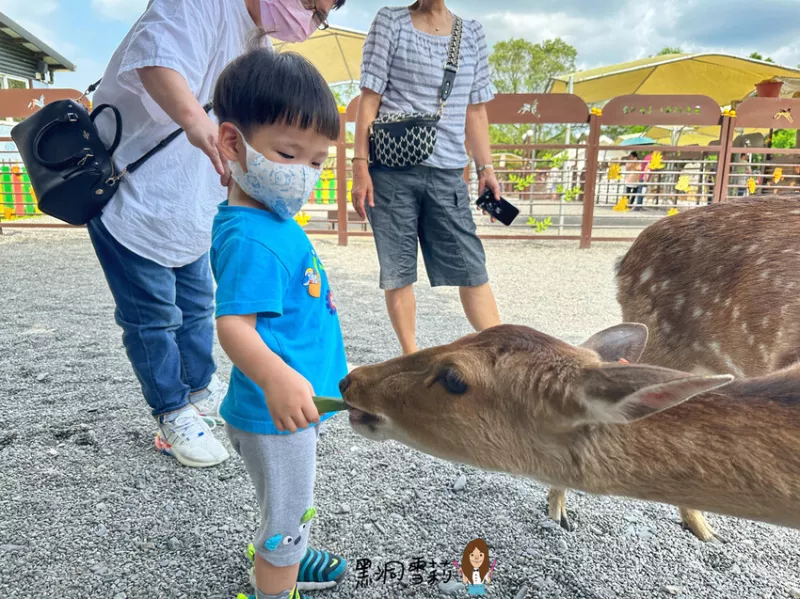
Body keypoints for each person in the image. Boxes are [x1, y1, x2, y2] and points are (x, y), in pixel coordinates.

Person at [87, 0, 345, 468]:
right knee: (151, 316)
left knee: (196, 305)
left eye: (320, 14)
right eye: (309, 3)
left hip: (195, 201)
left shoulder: (259, 42)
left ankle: (197, 391)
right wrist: (196, 122)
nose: (307, 17)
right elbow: (155, 57)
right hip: (134, 192)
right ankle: (171, 409)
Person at [210, 48, 348, 598]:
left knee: (287, 501)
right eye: (287, 153)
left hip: (287, 402)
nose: (303, 175)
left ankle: (283, 546)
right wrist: (275, 376)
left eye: (316, 162)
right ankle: (276, 578)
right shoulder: (253, 238)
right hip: (276, 414)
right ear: (231, 143)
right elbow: (233, 326)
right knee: (288, 512)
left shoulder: (269, 218)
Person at [351, 0, 502, 356]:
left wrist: (487, 168)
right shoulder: (391, 21)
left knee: (471, 267)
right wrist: (359, 164)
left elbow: (475, 109)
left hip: (448, 171)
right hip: (390, 170)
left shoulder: (472, 33)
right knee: (398, 269)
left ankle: (506, 351)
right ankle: (411, 355)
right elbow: (369, 100)